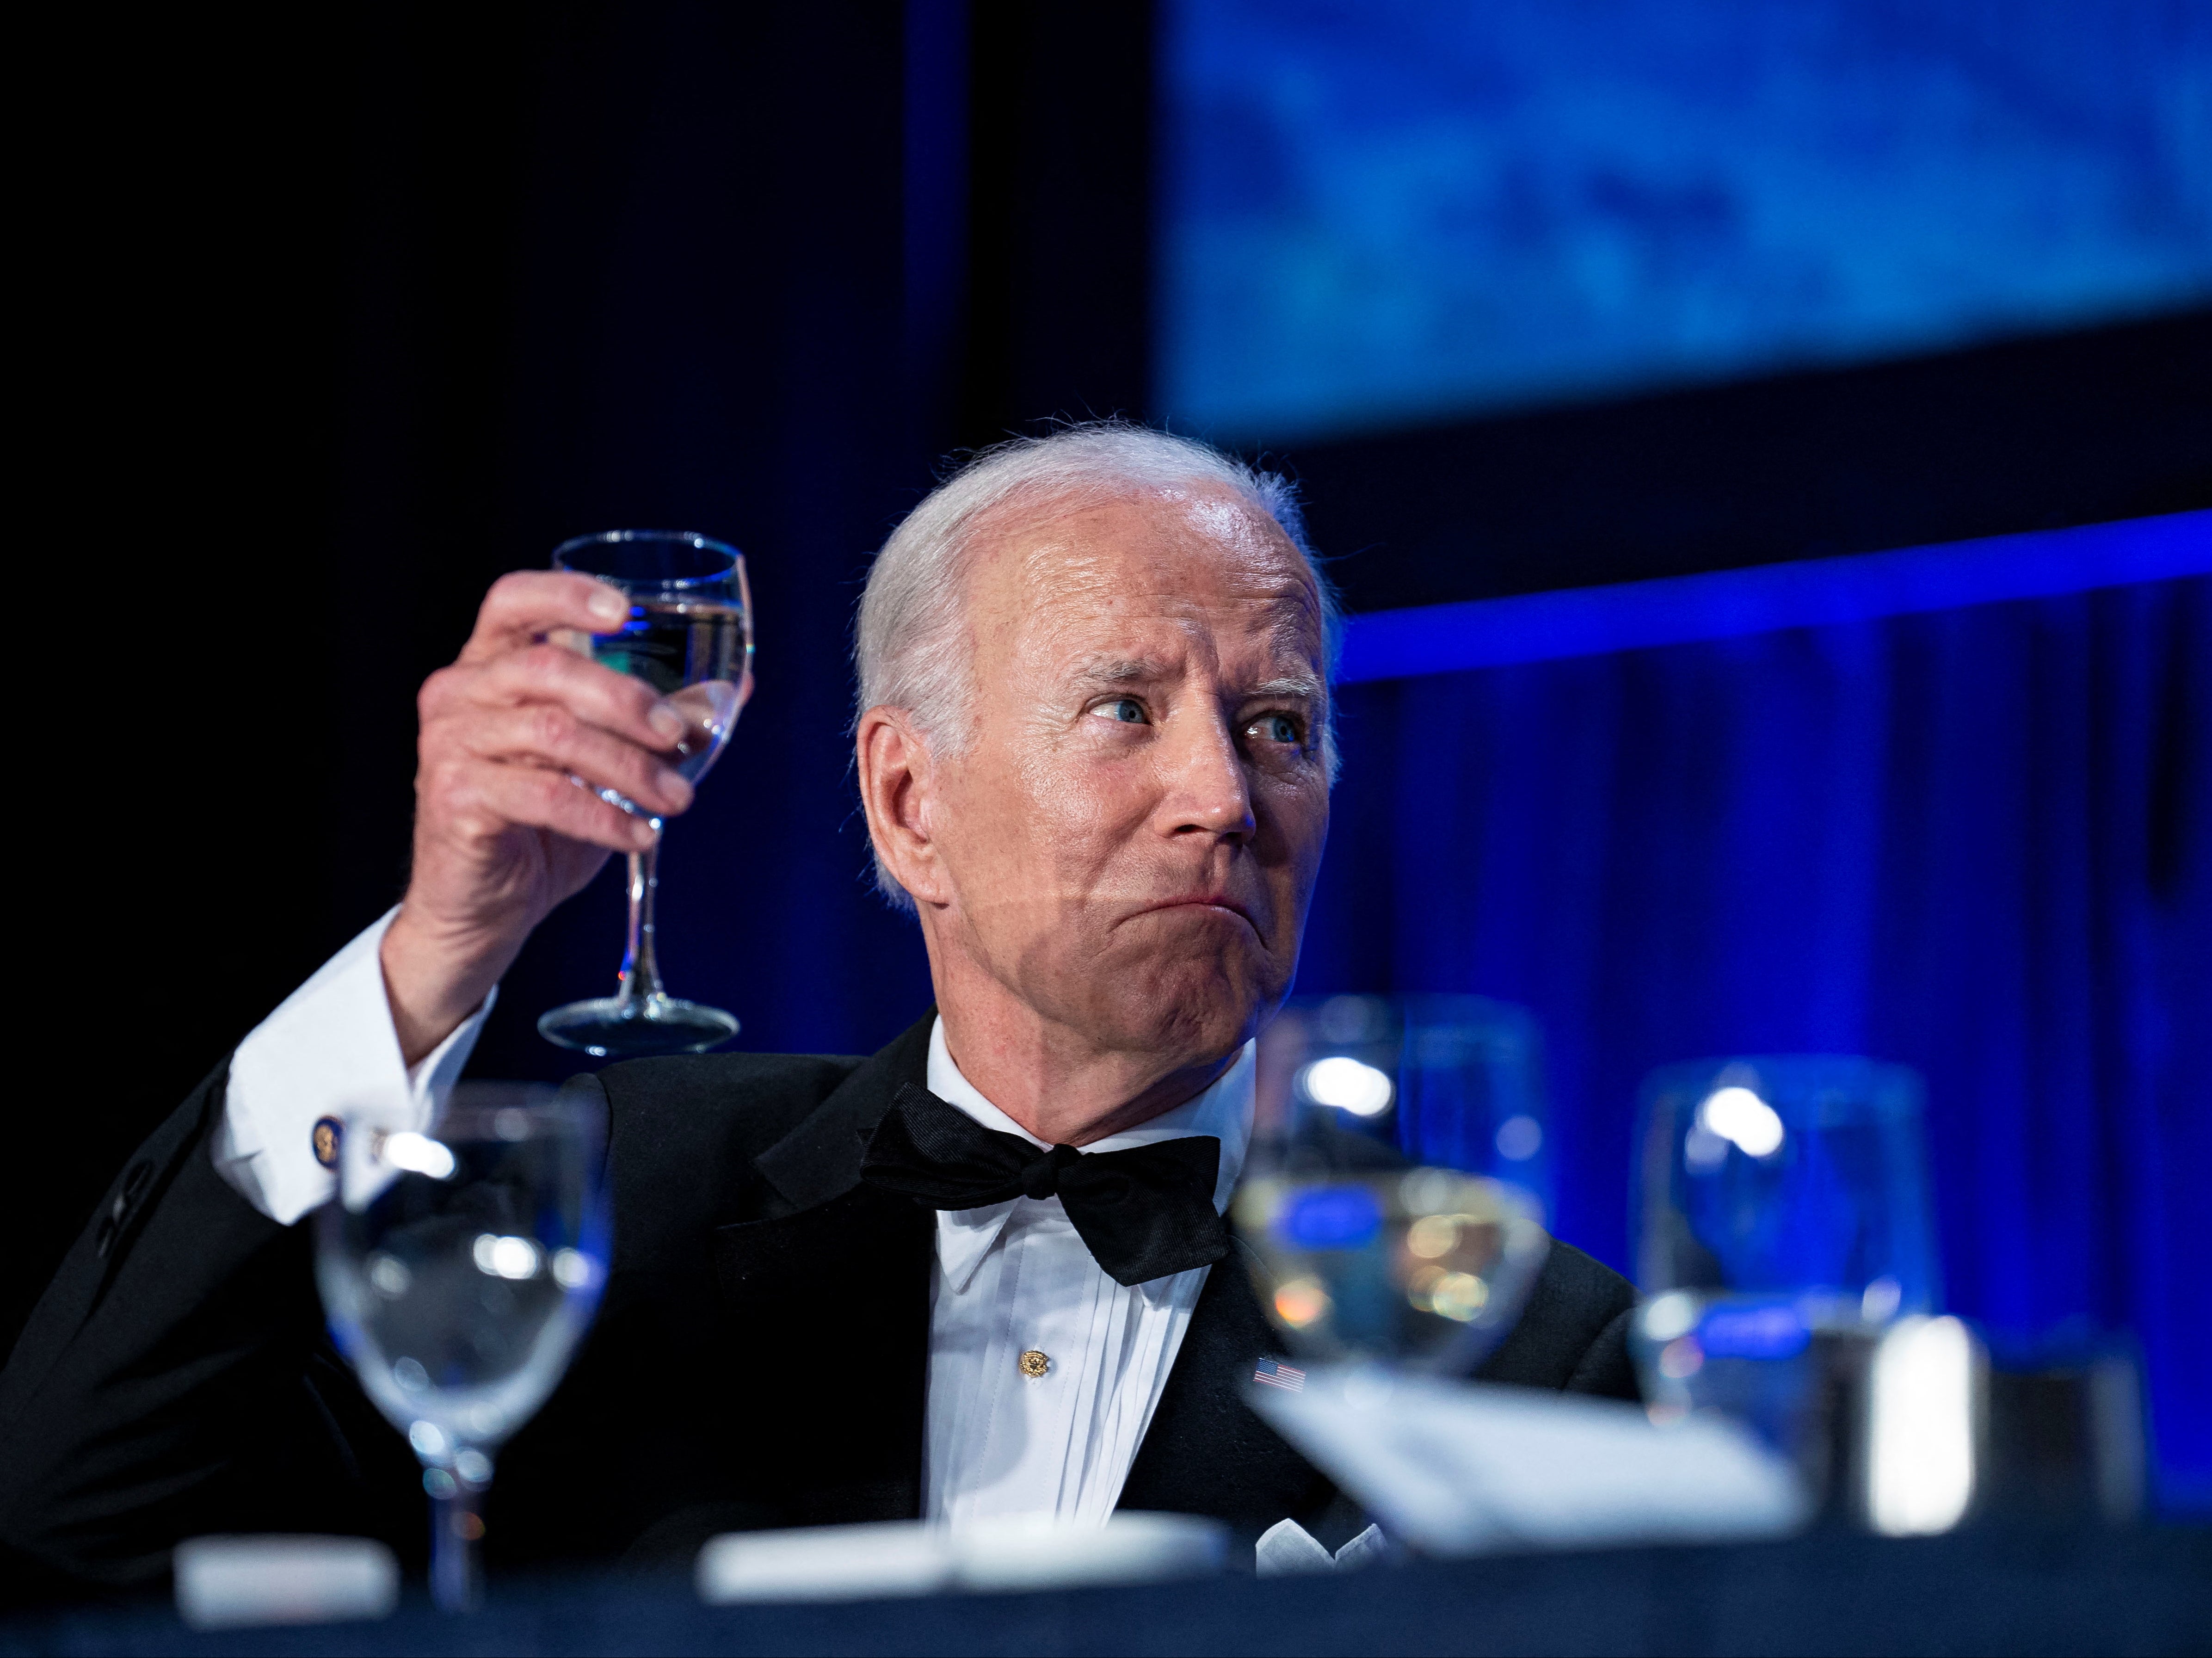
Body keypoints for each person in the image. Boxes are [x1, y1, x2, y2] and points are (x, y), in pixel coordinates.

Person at [0, 425, 1636, 1589]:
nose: (1222, 791)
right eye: (1125, 709)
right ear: (908, 801)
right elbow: (87, 1500)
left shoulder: (1519, 1336)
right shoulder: (614, 1198)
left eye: (1280, 724)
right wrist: (443, 948)